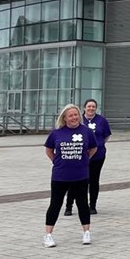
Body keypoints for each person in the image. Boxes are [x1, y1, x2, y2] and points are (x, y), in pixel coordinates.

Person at [43, 104, 98, 247]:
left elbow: (93, 148)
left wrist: (85, 160)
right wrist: (57, 161)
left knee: (82, 204)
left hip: (80, 174)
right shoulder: (56, 133)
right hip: (60, 175)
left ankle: (86, 232)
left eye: (76, 115)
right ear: (65, 118)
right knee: (55, 204)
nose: (74, 118)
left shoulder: (86, 132)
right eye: (71, 115)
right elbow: (49, 150)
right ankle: (48, 234)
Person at [64, 98, 111, 216]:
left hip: (97, 156)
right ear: (84, 108)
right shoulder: (79, 120)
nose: (91, 108)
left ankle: (92, 205)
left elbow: (106, 136)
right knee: (75, 180)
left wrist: (97, 145)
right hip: (79, 155)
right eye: (89, 106)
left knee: (94, 180)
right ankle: (69, 206)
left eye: (93, 107)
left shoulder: (102, 120)